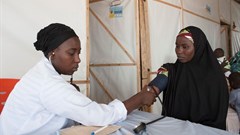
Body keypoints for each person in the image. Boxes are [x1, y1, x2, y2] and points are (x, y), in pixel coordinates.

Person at [0, 23, 157, 135]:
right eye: (71, 53)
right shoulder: (49, 84)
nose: (78, 59)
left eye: (79, 53)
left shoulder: (41, 72)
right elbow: (100, 116)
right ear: (53, 52)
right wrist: (140, 98)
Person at [148, 26, 229, 130]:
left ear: (198, 47)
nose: (179, 51)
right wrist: (149, 92)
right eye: (177, 46)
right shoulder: (172, 71)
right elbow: (153, 88)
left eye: (185, 47)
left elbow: (218, 117)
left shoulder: (216, 79)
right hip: (174, 130)